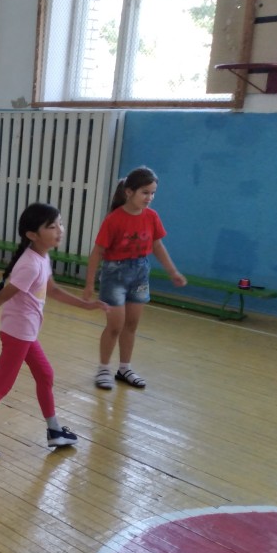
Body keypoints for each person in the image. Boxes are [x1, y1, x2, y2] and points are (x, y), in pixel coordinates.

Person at [0, 203, 109, 459]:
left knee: (45, 375)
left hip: (26, 333)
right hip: (18, 333)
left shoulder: (42, 257)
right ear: (32, 234)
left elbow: (53, 290)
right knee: (1, 386)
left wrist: (86, 305)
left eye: (60, 224)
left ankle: (55, 430)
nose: (60, 230)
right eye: (52, 226)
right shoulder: (30, 265)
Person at [83, 166, 187, 390]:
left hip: (140, 274)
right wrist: (89, 283)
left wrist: (173, 272)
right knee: (115, 326)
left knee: (131, 324)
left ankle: (125, 368)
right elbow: (97, 252)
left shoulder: (152, 217)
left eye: (153, 193)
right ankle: (103, 369)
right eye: (145, 192)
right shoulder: (114, 220)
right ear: (129, 192)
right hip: (115, 275)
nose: (149, 198)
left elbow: (157, 246)